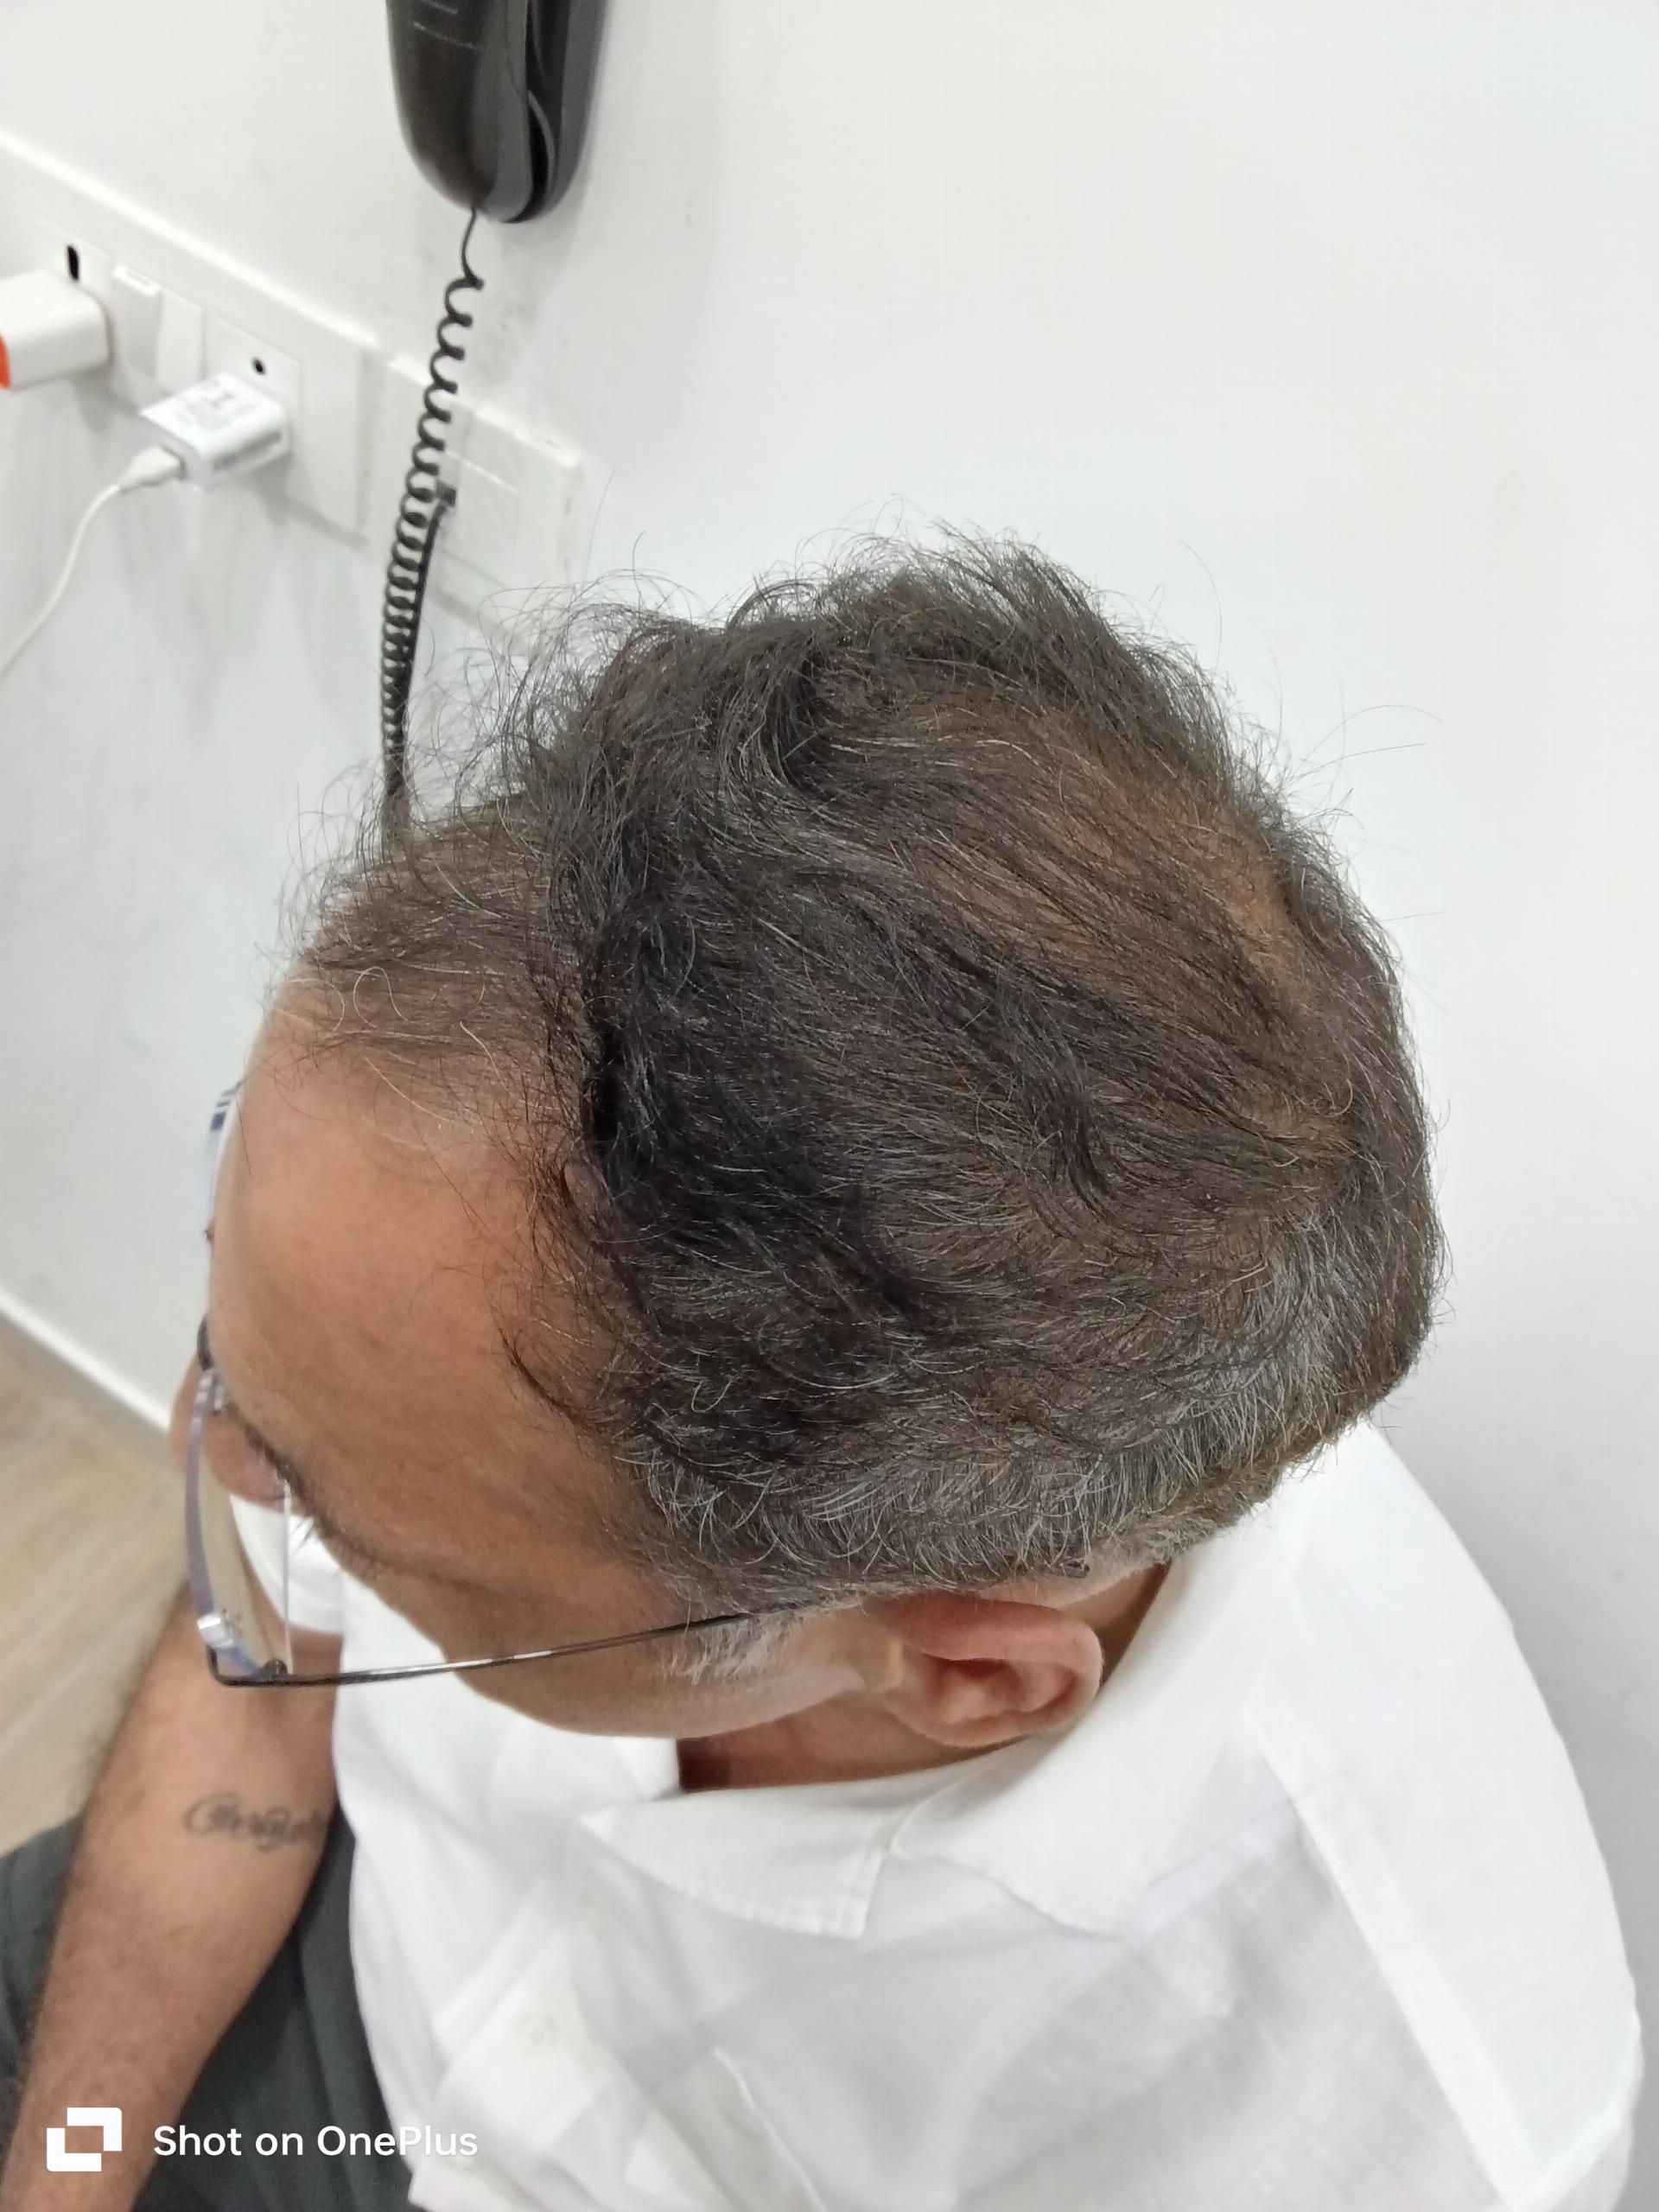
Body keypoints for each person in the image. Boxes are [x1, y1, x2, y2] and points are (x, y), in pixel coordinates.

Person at [0, 543, 1639, 2212]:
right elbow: (254, 1692)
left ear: (966, 1675)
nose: (217, 1455)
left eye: (356, 1528)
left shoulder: (1399, 2130)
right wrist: (65, 2177)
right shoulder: (426, 1290)